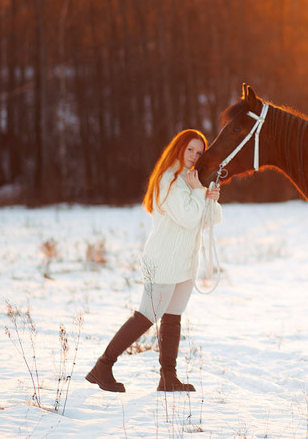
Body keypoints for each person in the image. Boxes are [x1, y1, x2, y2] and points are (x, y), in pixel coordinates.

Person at [85, 129, 221, 394]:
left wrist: (211, 200)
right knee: (147, 315)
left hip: (185, 263)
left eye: (199, 152)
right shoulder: (168, 179)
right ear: (179, 148)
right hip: (163, 261)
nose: (194, 156)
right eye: (190, 149)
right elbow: (188, 218)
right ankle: (102, 367)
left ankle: (168, 378)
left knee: (172, 318)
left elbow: (209, 221)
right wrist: (197, 192)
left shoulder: (190, 181)